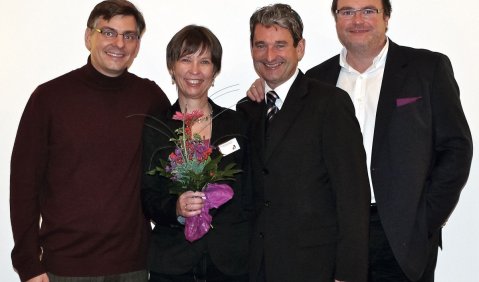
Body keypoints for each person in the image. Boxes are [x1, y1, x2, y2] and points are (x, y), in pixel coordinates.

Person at [247, 0, 473, 281]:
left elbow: (456, 148)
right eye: (347, 11)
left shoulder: (427, 68)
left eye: (368, 10)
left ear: (386, 17)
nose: (357, 20)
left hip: (402, 234)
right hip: (333, 236)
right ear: (336, 19)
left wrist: (425, 218)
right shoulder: (317, 80)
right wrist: (263, 88)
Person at [10, 1, 170, 281]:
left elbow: (180, 150)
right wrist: (28, 264)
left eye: (129, 36)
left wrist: (259, 91)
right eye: (108, 32)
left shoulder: (150, 98)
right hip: (64, 269)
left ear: (137, 45)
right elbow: (24, 184)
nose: (119, 43)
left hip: (132, 267)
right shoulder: (48, 99)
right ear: (89, 37)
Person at [237, 4, 371, 282]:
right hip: (257, 265)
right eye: (261, 45)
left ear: (300, 48)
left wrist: (348, 272)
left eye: (280, 45)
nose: (270, 55)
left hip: (315, 266)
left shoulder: (330, 103)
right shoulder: (247, 110)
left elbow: (352, 195)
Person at [141, 25, 253, 282]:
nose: (194, 70)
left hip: (230, 264)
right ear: (172, 67)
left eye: (204, 61)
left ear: (215, 71)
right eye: (186, 59)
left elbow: (251, 192)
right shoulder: (155, 127)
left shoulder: (238, 123)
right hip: (173, 263)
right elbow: (147, 195)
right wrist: (176, 208)